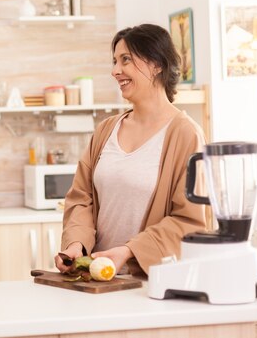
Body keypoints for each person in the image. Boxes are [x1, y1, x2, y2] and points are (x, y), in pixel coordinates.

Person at [55, 23, 207, 276]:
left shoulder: (186, 135)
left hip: (150, 283)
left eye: (126, 60)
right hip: (97, 280)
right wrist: (76, 244)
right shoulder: (106, 130)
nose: (115, 71)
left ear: (157, 64)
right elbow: (81, 199)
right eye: (114, 61)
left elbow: (191, 221)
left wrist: (128, 251)